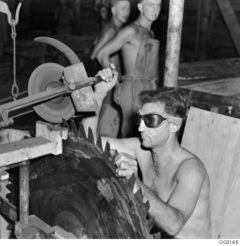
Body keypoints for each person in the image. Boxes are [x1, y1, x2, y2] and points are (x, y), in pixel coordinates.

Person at [82, 66, 211, 238]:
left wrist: (135, 183)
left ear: (174, 125)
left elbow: (174, 225)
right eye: (140, 118)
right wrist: (98, 93)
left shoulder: (191, 169)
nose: (141, 127)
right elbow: (87, 142)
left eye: (150, 120)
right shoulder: (141, 149)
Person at [96, 0, 161, 137]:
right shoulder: (131, 30)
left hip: (149, 88)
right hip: (132, 89)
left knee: (146, 133)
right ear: (140, 7)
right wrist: (116, 82)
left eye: (158, 5)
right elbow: (102, 54)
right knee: (130, 135)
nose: (155, 9)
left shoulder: (150, 33)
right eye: (151, 4)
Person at [91, 0, 131, 138]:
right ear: (113, 11)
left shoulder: (120, 29)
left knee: (115, 119)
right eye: (123, 9)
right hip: (109, 80)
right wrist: (110, 73)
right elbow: (94, 55)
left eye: (128, 9)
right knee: (108, 119)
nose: (126, 12)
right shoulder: (110, 29)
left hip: (115, 79)